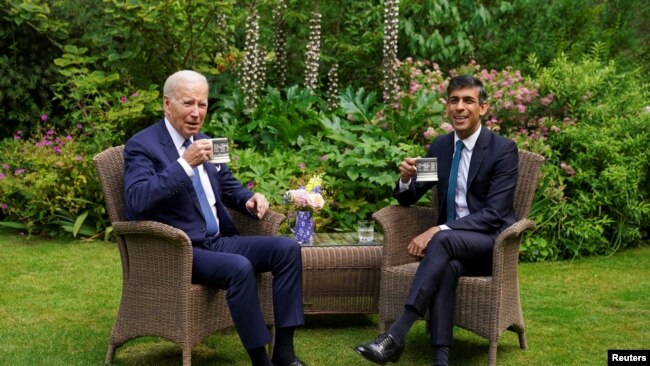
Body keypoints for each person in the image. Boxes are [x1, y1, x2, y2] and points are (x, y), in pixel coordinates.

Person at [123, 70, 306, 366]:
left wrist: (249, 198)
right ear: (167, 104)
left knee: (287, 249)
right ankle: (261, 360)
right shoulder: (142, 145)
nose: (197, 113)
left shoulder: (208, 140)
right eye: (188, 103)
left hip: (219, 241)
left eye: (203, 104)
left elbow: (228, 183)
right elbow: (135, 201)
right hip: (181, 250)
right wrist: (184, 164)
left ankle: (284, 352)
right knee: (239, 267)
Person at [354, 75, 519, 366]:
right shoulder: (441, 147)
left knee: (441, 240)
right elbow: (410, 197)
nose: (460, 107)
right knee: (447, 267)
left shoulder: (502, 150)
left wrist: (438, 229)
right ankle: (440, 359)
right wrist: (406, 180)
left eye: (468, 100)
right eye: (454, 100)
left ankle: (396, 335)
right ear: (447, 107)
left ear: (483, 107)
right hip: (451, 248)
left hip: (489, 245)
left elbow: (494, 214)